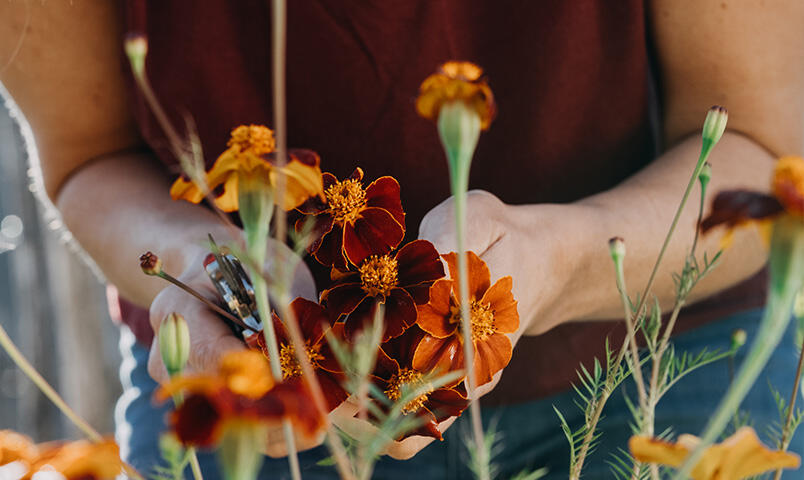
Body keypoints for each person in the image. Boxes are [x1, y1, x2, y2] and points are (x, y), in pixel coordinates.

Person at [2, 0, 803, 478]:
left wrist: (558, 259)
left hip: (661, 368)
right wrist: (203, 268)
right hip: (252, 394)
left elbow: (761, 148)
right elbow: (87, 155)